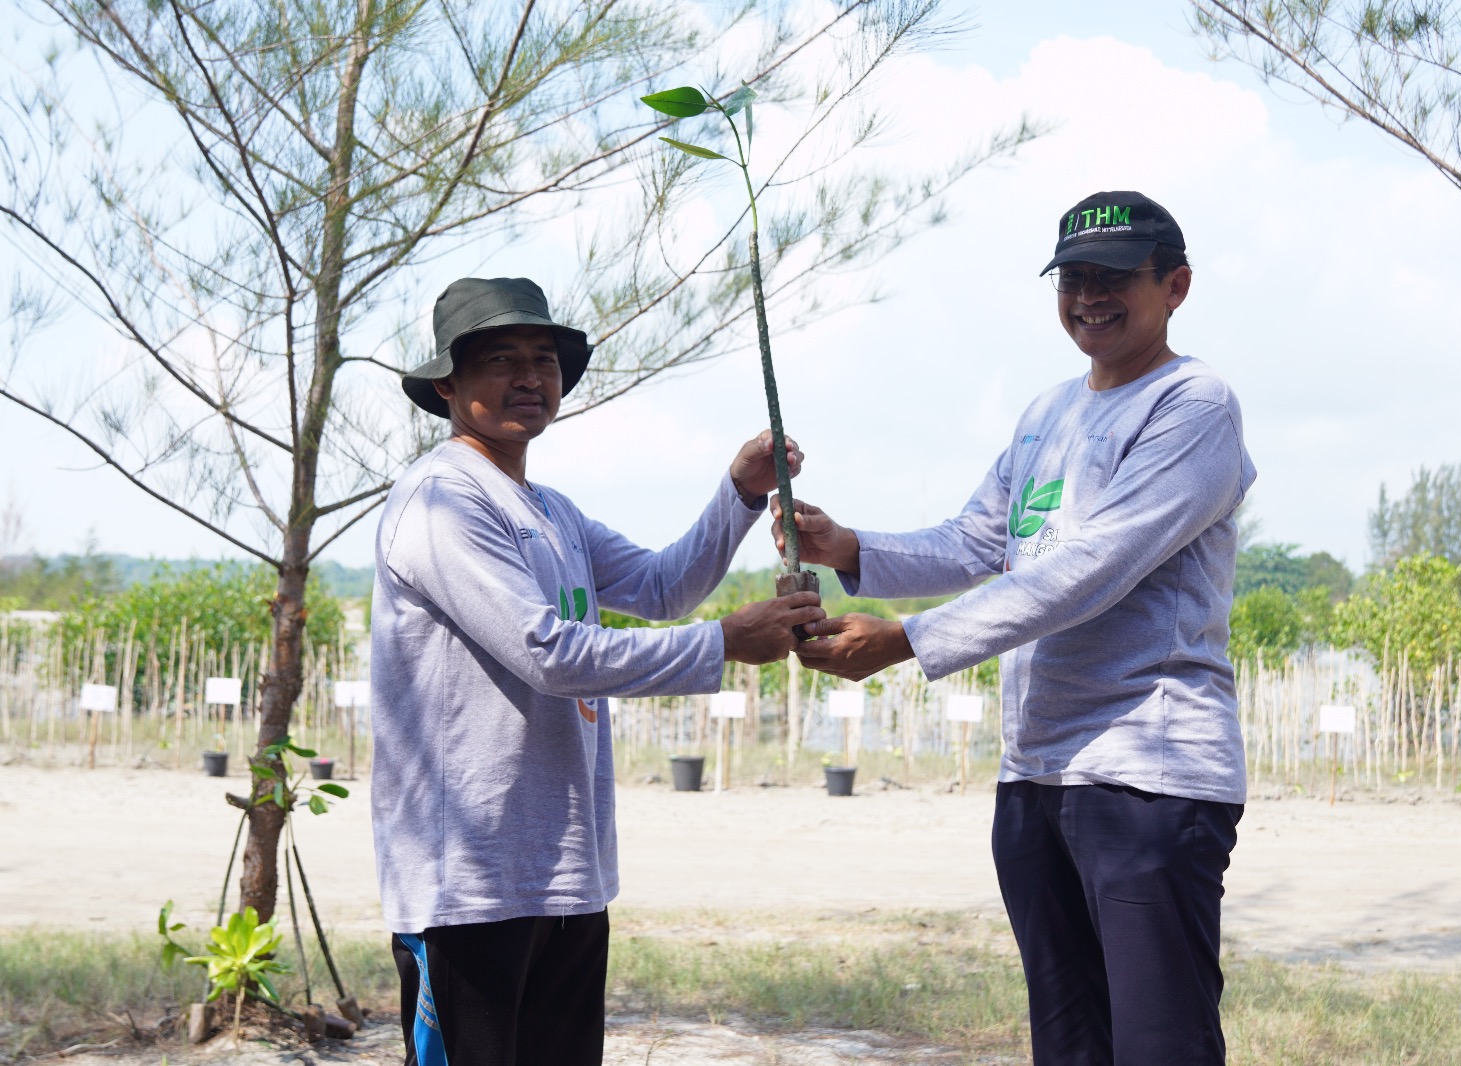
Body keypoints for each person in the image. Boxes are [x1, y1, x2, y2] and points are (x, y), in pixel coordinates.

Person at [777, 192, 1255, 1066]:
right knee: (1068, 1045)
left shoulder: (1195, 407)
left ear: (1176, 286)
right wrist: (849, 546)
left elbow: (1092, 569)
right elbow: (978, 543)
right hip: (1037, 773)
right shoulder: (1048, 415)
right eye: (1073, 279)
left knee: (1159, 1046)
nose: (1089, 297)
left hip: (1146, 772)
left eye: (1114, 279)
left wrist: (907, 641)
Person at [370, 276, 823, 1066]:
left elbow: (660, 586)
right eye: (501, 359)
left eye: (544, 360)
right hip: (470, 880)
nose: (529, 378)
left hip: (565, 872)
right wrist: (722, 644)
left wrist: (740, 495)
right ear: (447, 383)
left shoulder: (550, 511)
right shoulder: (442, 503)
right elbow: (550, 653)